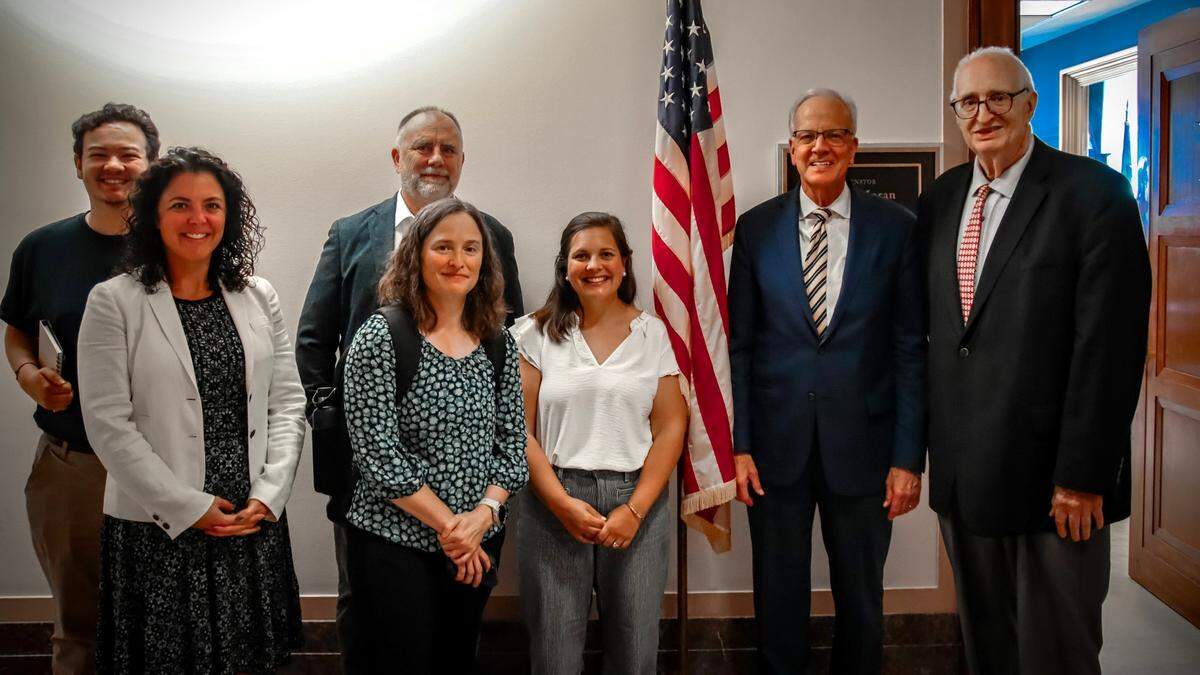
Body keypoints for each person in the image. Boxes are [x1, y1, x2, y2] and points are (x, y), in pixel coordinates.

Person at [917, 47, 1151, 674]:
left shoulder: (1095, 194)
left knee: (1058, 655)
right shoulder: (940, 201)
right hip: (966, 481)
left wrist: (1083, 475)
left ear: (1030, 104)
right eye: (968, 101)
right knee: (988, 650)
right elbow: (945, 340)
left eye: (999, 97)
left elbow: (1109, 348)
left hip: (1057, 487)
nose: (983, 112)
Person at [296, 106, 524, 667]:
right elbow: (314, 341)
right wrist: (346, 425)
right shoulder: (352, 235)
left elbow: (509, 416)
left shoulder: (494, 240)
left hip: (475, 524)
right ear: (398, 157)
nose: (435, 158)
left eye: (448, 149)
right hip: (373, 490)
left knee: (453, 649)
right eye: (423, 147)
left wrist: (478, 520)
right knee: (372, 632)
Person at [77, 147, 306, 673]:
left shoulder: (257, 294)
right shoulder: (113, 301)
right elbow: (108, 424)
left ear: (229, 215)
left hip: (249, 518)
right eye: (180, 205)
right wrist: (186, 506)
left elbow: (288, 401)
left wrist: (270, 493)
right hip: (159, 527)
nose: (198, 219)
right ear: (154, 216)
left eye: (212, 205)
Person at [728, 89, 926, 674]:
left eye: (834, 135)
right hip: (774, 448)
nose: (821, 146)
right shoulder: (756, 229)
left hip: (866, 448)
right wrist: (740, 445)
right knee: (778, 596)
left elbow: (910, 348)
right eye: (808, 136)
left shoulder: (897, 229)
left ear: (854, 148)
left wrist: (908, 457)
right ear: (792, 149)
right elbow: (740, 346)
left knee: (862, 600)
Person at [0, 102, 159, 675]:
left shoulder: (183, 246)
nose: (114, 165)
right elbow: (18, 329)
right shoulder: (42, 249)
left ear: (153, 164)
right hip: (74, 466)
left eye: (129, 155)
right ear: (78, 165)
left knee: (165, 625)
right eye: (99, 155)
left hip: (169, 465)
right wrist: (27, 376)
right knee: (80, 627)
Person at [340, 196, 528, 673]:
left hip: (477, 539)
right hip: (395, 544)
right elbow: (377, 454)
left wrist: (481, 519)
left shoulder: (498, 338)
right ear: (416, 254)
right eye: (443, 247)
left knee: (456, 659)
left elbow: (512, 443)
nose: (458, 261)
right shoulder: (382, 336)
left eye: (470, 248)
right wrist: (451, 528)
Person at [511, 212, 687, 674]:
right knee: (555, 655)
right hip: (551, 502)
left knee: (634, 653)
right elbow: (518, 429)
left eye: (606, 254)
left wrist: (634, 511)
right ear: (564, 267)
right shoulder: (532, 334)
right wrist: (561, 503)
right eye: (581, 255)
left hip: (636, 504)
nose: (594, 265)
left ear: (625, 263)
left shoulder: (653, 335)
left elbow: (671, 427)